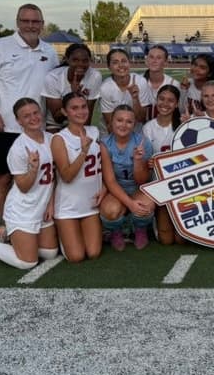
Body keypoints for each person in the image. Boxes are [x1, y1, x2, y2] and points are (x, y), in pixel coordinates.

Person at [0, 3, 57, 234]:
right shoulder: (0, 46)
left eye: (35, 21)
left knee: (36, 177)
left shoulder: (49, 51)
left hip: (37, 129)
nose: (30, 25)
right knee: (3, 179)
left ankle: (31, 222)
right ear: (17, 22)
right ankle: (8, 225)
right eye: (26, 21)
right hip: (3, 126)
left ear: (42, 24)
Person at [0, 98, 59, 268]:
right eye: (26, 116)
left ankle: (14, 237)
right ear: (19, 121)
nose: (33, 118)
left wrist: (51, 203)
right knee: (28, 262)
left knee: (49, 253)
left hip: (42, 206)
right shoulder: (18, 148)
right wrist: (33, 169)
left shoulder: (51, 139)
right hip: (23, 210)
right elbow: (23, 187)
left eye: (35, 113)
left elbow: (55, 176)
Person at [51, 92, 104, 262]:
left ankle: (76, 234)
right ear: (65, 112)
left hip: (91, 205)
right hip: (68, 206)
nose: (81, 112)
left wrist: (105, 188)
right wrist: (83, 151)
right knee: (76, 257)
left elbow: (105, 167)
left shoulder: (94, 131)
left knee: (94, 253)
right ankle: (61, 233)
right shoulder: (59, 138)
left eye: (83, 107)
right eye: (74, 108)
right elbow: (66, 176)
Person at [99, 104, 155, 251]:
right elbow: (110, 181)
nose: (124, 125)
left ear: (134, 124)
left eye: (129, 122)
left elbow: (142, 180)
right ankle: (116, 231)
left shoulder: (143, 142)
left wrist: (137, 161)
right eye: (119, 120)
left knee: (146, 205)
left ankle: (140, 229)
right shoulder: (105, 144)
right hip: (116, 188)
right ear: (111, 121)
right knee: (110, 211)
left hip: (138, 187)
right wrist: (130, 204)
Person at [142, 85, 183, 244]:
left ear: (177, 104)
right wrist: (149, 161)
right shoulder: (148, 128)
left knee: (181, 239)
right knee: (165, 240)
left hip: (182, 187)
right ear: (156, 100)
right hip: (159, 185)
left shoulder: (183, 125)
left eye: (170, 100)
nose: (165, 103)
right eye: (162, 99)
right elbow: (144, 162)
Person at [41, 43, 102, 133]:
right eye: (75, 60)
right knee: (55, 142)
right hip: (56, 124)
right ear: (67, 60)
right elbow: (57, 118)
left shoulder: (95, 76)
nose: (80, 64)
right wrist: (73, 95)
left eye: (85, 61)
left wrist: (81, 135)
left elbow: (87, 116)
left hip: (79, 121)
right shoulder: (53, 78)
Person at [99, 48, 150, 133]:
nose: (121, 65)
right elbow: (110, 125)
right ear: (109, 67)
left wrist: (135, 99)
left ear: (129, 63)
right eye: (115, 62)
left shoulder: (140, 82)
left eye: (124, 61)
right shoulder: (106, 88)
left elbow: (141, 119)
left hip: (135, 132)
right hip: (113, 133)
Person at [142, 45, 180, 119]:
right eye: (151, 57)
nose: (154, 61)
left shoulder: (174, 84)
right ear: (146, 61)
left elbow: (179, 111)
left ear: (166, 62)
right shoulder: (138, 81)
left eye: (158, 58)